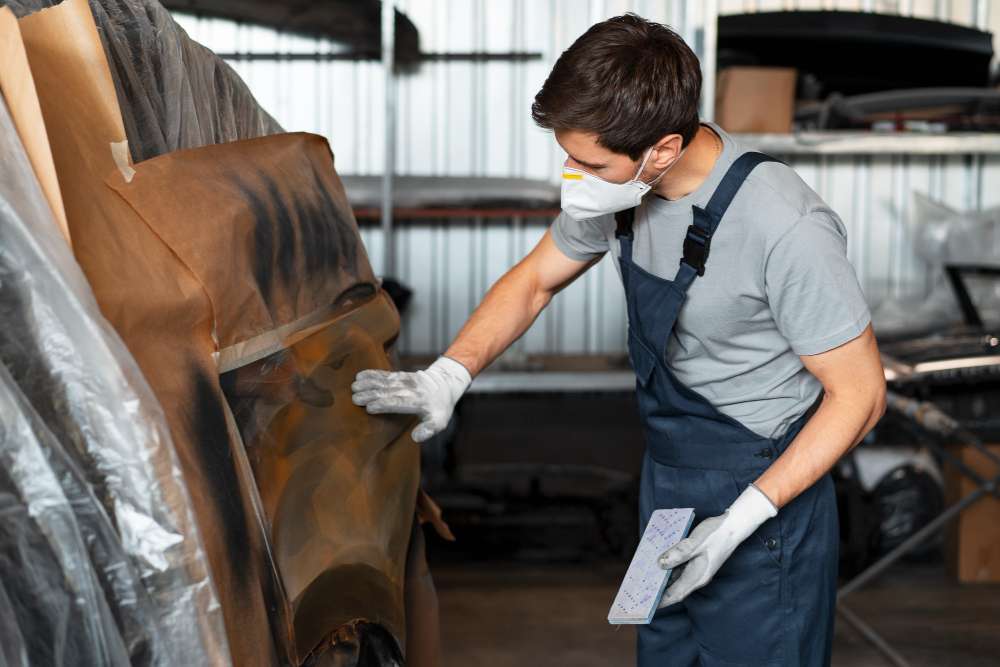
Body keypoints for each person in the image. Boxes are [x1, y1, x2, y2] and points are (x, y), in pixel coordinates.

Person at [352, 13, 885, 667]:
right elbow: (534, 282)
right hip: (669, 480)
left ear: (661, 150)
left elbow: (861, 396)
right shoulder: (621, 191)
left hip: (766, 495)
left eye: (589, 162)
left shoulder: (785, 223)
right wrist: (449, 375)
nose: (571, 174)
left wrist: (744, 518)